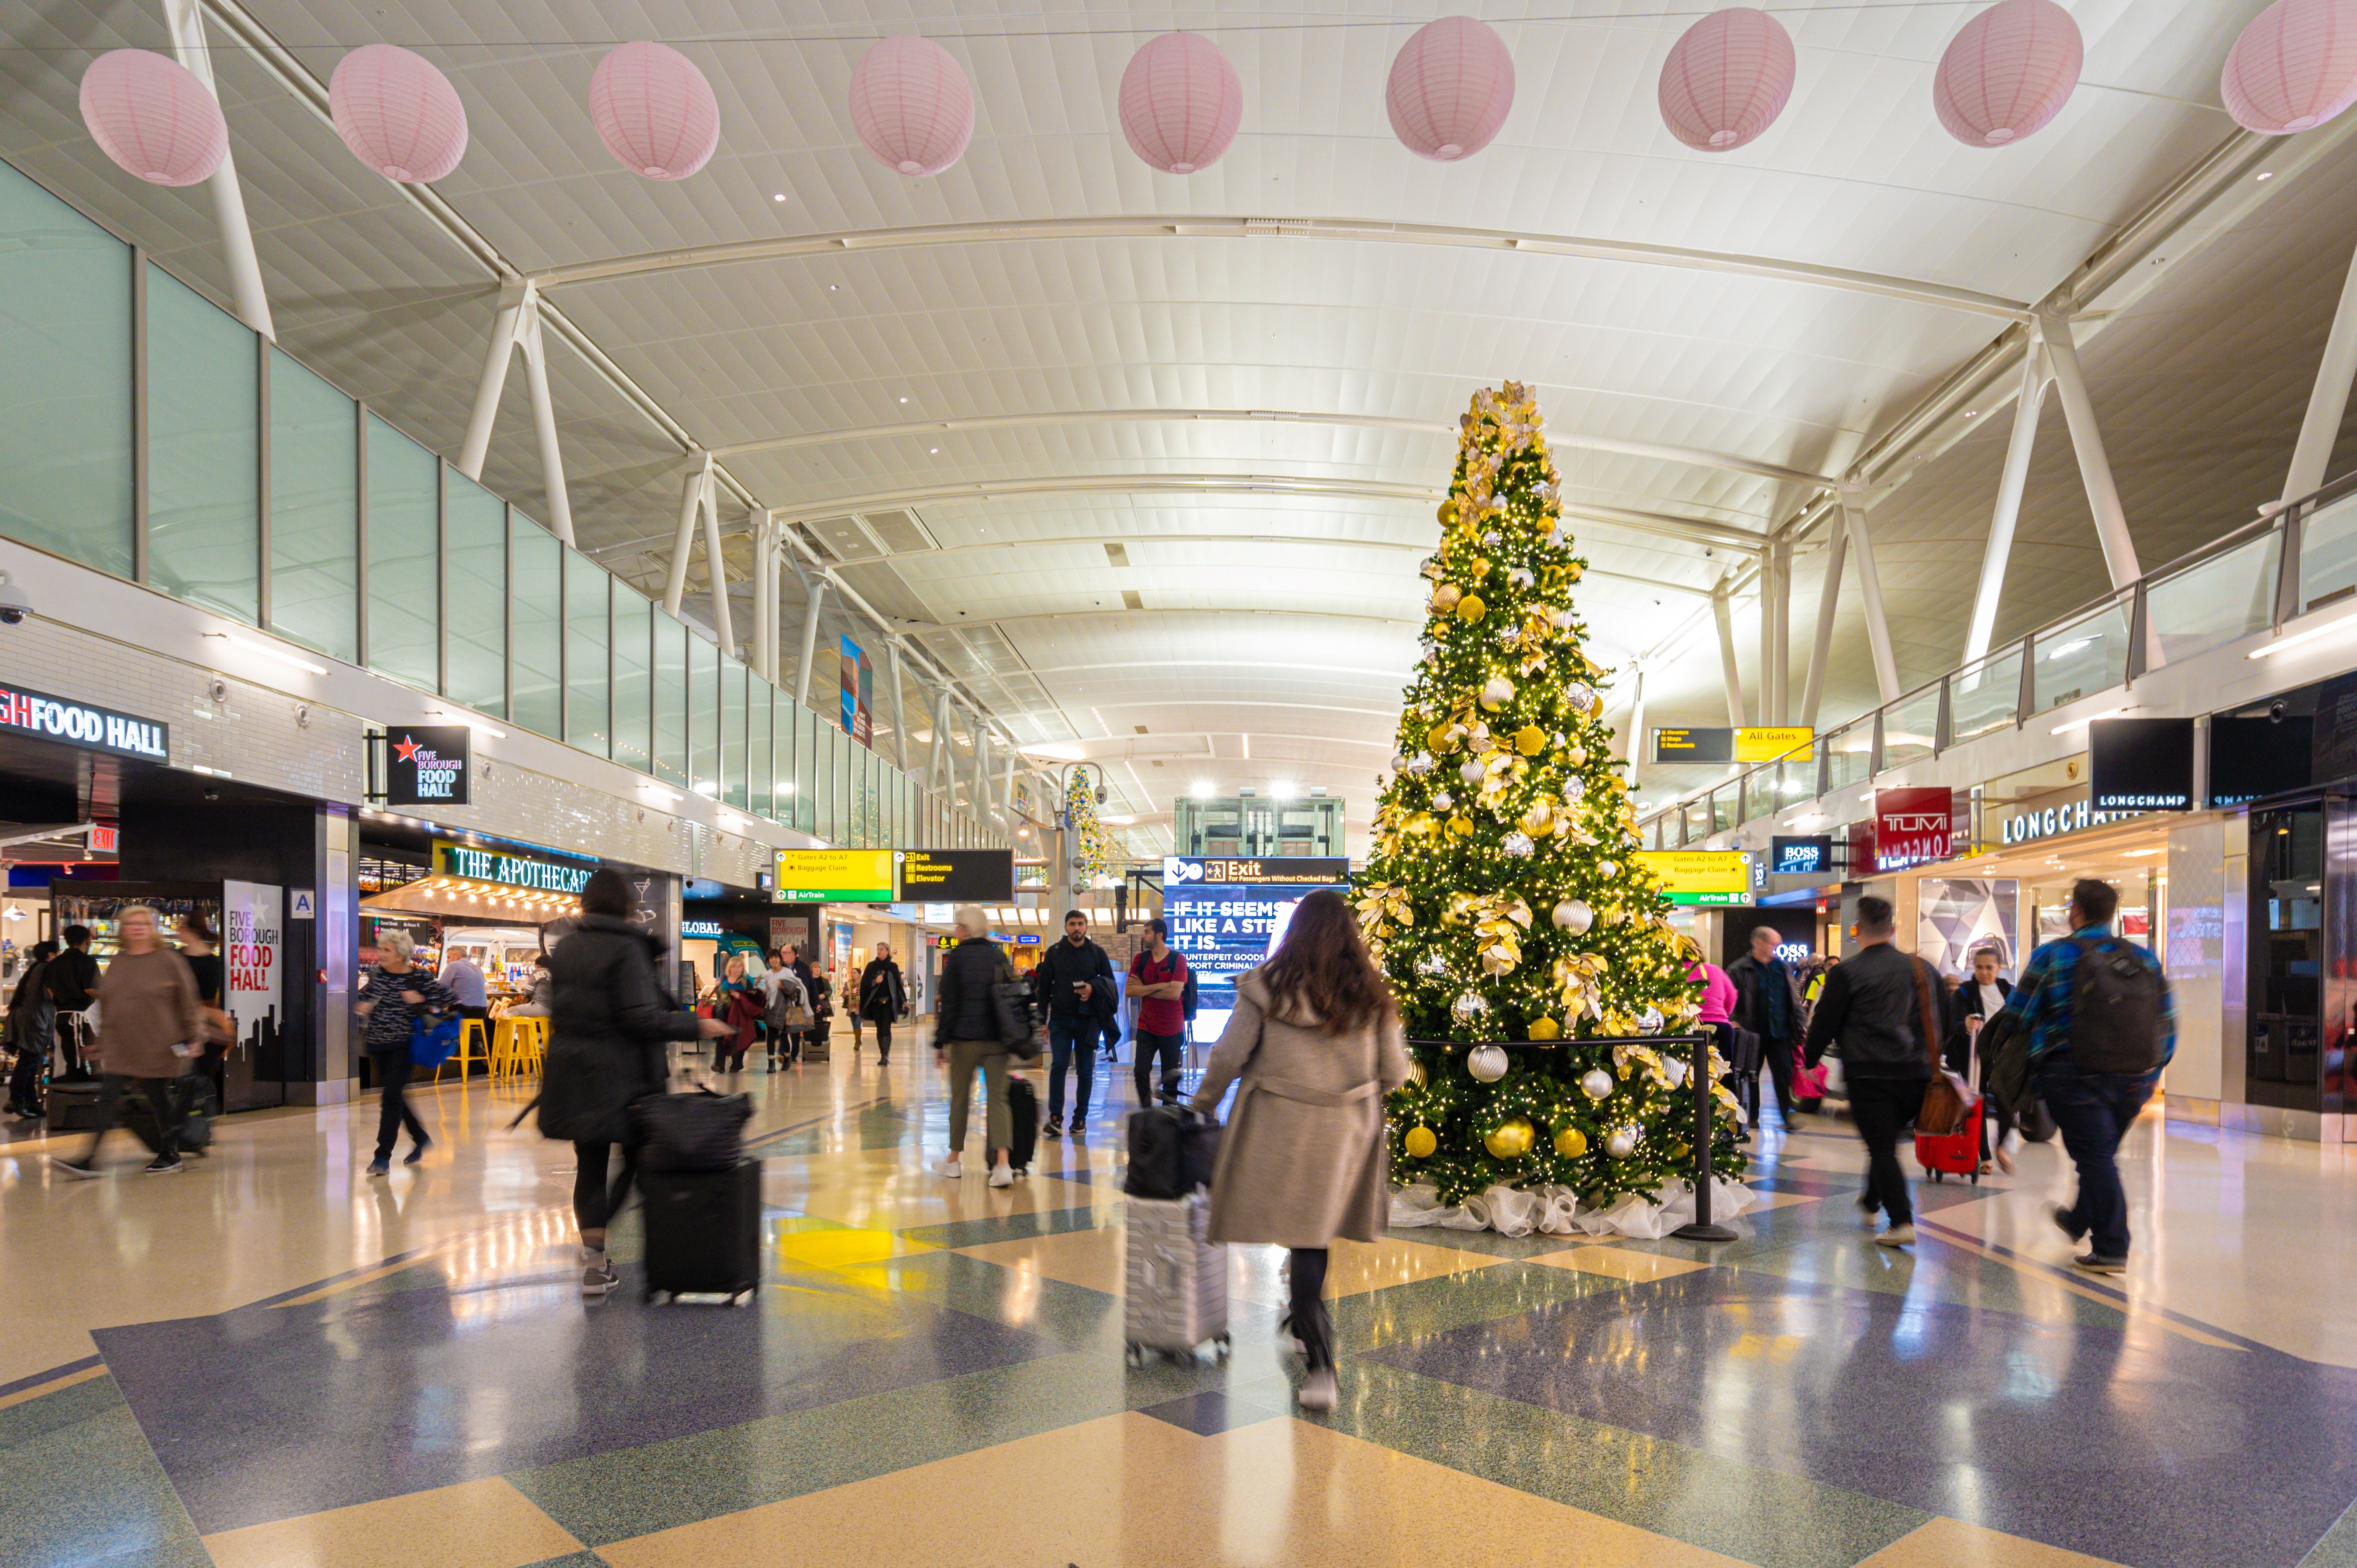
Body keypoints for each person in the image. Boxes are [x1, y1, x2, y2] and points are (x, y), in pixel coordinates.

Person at [1190, 888, 1409, 1413]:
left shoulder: (1265, 988)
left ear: (1295, 932)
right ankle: (1305, 1336)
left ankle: (1320, 1360)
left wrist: (1203, 1103)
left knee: (1299, 1229)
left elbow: (1226, 1056)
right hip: (1344, 1132)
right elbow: (1397, 1073)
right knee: (1313, 1236)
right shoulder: (1372, 996)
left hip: (1277, 1127)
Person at [539, 868, 731, 1296]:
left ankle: (594, 1262)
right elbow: (641, 1017)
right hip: (622, 1074)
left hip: (573, 1071)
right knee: (640, 1157)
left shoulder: (566, 947)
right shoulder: (628, 950)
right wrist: (697, 1026)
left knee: (589, 1165)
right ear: (626, 906)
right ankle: (657, 1249)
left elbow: (557, 1009)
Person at [1993, 878, 2172, 1274]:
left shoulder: (2053, 956)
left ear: (2076, 911)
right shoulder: (2145, 959)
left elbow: (2019, 1015)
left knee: (2095, 1160)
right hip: (2134, 1079)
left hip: (2073, 1074)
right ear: (2111, 913)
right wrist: (2151, 1073)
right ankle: (2077, 1221)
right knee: (2101, 1156)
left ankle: (2112, 1248)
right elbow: (2168, 1025)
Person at [1802, 896, 1943, 1248]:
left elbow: (1825, 1021)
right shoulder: (1922, 969)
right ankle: (1870, 1201)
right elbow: (1948, 1017)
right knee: (1886, 1142)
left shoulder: (1847, 973)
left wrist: (1809, 1059)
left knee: (1881, 1147)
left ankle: (1902, 1221)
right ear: (1893, 930)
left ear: (1857, 931)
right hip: (1918, 1073)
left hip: (1870, 1074)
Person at [47, 908, 202, 1178]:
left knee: (159, 1098)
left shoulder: (169, 960)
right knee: (108, 1097)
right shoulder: (119, 962)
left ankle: (171, 1152)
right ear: (123, 929)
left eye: (143, 923)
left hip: (159, 1043)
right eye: (131, 924)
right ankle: (90, 1158)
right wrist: (101, 1043)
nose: (138, 928)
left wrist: (195, 1036)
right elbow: (110, 1006)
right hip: (123, 1046)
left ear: (152, 928)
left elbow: (188, 1001)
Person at [353, 927, 462, 1174]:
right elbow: (369, 995)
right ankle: (421, 1137)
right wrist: (364, 1006)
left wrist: (421, 999)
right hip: (379, 1044)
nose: (380, 954)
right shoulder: (378, 975)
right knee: (396, 1096)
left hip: (405, 1045)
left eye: (386, 950)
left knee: (390, 1098)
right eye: (380, 949)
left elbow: (450, 996)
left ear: (401, 954)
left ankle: (382, 1157)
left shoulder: (419, 978)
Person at [934, 906, 1017, 1187]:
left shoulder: (956, 960)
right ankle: (1003, 1165)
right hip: (997, 1040)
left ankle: (954, 1161)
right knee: (998, 1100)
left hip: (964, 1039)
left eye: (958, 926)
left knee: (960, 1099)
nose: (956, 931)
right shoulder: (999, 957)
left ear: (966, 930)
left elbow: (949, 1004)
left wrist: (940, 1042)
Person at [1032, 909, 1116, 1138]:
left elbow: (1109, 983)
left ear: (1087, 927)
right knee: (1058, 1065)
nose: (1076, 928)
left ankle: (1080, 1118)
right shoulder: (1054, 953)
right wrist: (1043, 1020)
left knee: (1085, 1070)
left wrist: (1093, 987)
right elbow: (1044, 989)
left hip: (1088, 1020)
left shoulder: (1097, 954)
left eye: (1080, 924)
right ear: (1066, 927)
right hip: (1060, 1019)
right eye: (1072, 924)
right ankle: (1056, 1118)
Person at [1728, 926, 1806, 1130]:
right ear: (1760, 943)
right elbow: (1728, 998)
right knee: (1751, 1076)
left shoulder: (1782, 968)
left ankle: (1787, 1116)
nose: (1777, 948)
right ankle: (1752, 1117)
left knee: (1783, 1075)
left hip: (1780, 1033)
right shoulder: (1740, 969)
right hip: (1751, 1033)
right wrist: (1734, 1020)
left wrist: (1801, 1024)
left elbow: (1793, 999)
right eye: (1774, 944)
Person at [1950, 947, 2017, 1172]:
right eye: (1979, 967)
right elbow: (1954, 1022)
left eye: (1990, 968)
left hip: (2003, 1057)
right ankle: (1985, 1156)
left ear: (1999, 968)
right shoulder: (1965, 993)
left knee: (2007, 1103)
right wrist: (1965, 1025)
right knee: (1978, 1104)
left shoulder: (2010, 991)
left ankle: (2001, 1147)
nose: (1984, 972)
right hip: (1974, 1058)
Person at [173, 914, 230, 1151]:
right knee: (189, 1078)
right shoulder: (178, 958)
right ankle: (189, 1129)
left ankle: (199, 1129)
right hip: (187, 1027)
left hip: (200, 1028)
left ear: (191, 931)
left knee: (200, 1078)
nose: (177, 931)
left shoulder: (206, 962)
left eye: (181, 927)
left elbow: (203, 1000)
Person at [1127, 918, 1190, 1107]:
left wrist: (1145, 988)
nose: (1143, 936)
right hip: (1146, 1026)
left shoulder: (1178, 959)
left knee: (1169, 1077)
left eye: (1147, 932)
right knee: (1140, 1071)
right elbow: (1131, 992)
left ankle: (1168, 1118)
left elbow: (1174, 994)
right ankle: (1147, 1113)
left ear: (1159, 935)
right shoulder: (1141, 959)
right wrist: (1162, 985)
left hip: (1172, 1028)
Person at [6, 939, 57, 1118]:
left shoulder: (36, 968)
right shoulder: (46, 969)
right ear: (51, 955)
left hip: (25, 1018)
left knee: (31, 1062)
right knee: (28, 1062)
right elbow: (51, 994)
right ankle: (16, 1100)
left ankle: (31, 1102)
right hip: (34, 1021)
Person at [46, 924, 100, 1080]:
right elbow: (90, 990)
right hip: (79, 1017)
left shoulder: (54, 963)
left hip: (62, 1017)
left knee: (72, 1056)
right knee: (78, 1066)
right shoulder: (87, 961)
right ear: (87, 940)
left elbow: (50, 993)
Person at [858, 942, 907, 1066]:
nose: (879, 951)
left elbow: (898, 986)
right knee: (880, 1028)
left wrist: (903, 1002)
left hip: (889, 1004)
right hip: (876, 1003)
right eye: (878, 949)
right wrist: (875, 981)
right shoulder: (872, 967)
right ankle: (883, 1054)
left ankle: (885, 1055)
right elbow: (864, 984)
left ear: (887, 952)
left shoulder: (893, 967)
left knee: (886, 1027)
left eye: (882, 949)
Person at [712, 950, 759, 1073]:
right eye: (734, 966)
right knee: (721, 1038)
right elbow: (719, 996)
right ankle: (720, 1065)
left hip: (740, 1016)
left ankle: (737, 1064)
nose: (737, 969)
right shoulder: (723, 980)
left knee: (738, 1038)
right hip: (724, 1014)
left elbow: (752, 998)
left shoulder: (745, 982)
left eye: (739, 967)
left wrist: (740, 997)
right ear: (730, 968)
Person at [438, 946, 488, 1024]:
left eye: (449, 957)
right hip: (482, 1012)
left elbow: (442, 988)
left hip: (464, 1011)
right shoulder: (478, 968)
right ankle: (473, 1035)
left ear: (457, 956)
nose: (447, 961)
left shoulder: (453, 965)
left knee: (438, 1015)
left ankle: (452, 1036)